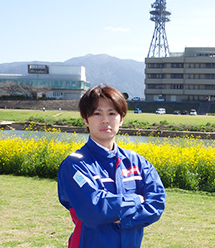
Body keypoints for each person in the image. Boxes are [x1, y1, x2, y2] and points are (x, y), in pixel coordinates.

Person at [57, 84, 166, 248]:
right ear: (85, 119)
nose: (105, 120)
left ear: (121, 119)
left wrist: (117, 215)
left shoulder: (138, 162)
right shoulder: (75, 164)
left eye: (112, 113)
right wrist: (137, 200)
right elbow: (93, 211)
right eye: (97, 113)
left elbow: (156, 204)